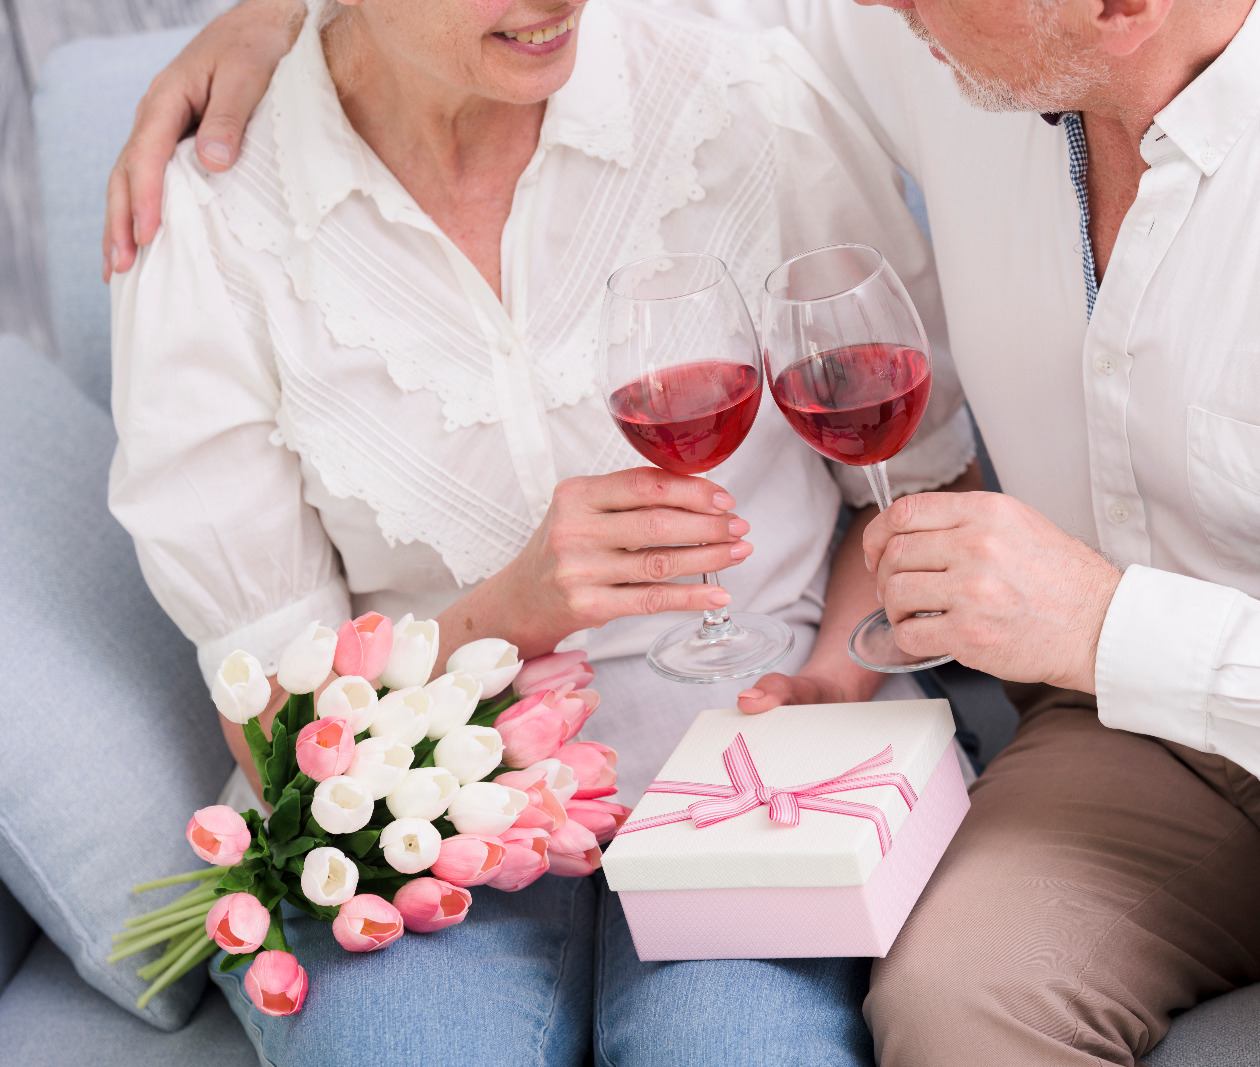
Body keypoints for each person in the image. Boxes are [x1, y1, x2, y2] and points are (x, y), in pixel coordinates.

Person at [109, 0, 1260, 1065]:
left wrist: (1094, 626)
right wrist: (295, 21)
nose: (878, 8)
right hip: (1131, 737)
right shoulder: (961, 41)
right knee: (954, 994)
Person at [103, 0, 978, 1063]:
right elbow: (274, 732)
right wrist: (499, 619)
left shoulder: (740, 97)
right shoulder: (211, 221)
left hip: (761, 772)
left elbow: (913, 484)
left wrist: (834, 684)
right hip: (418, 823)